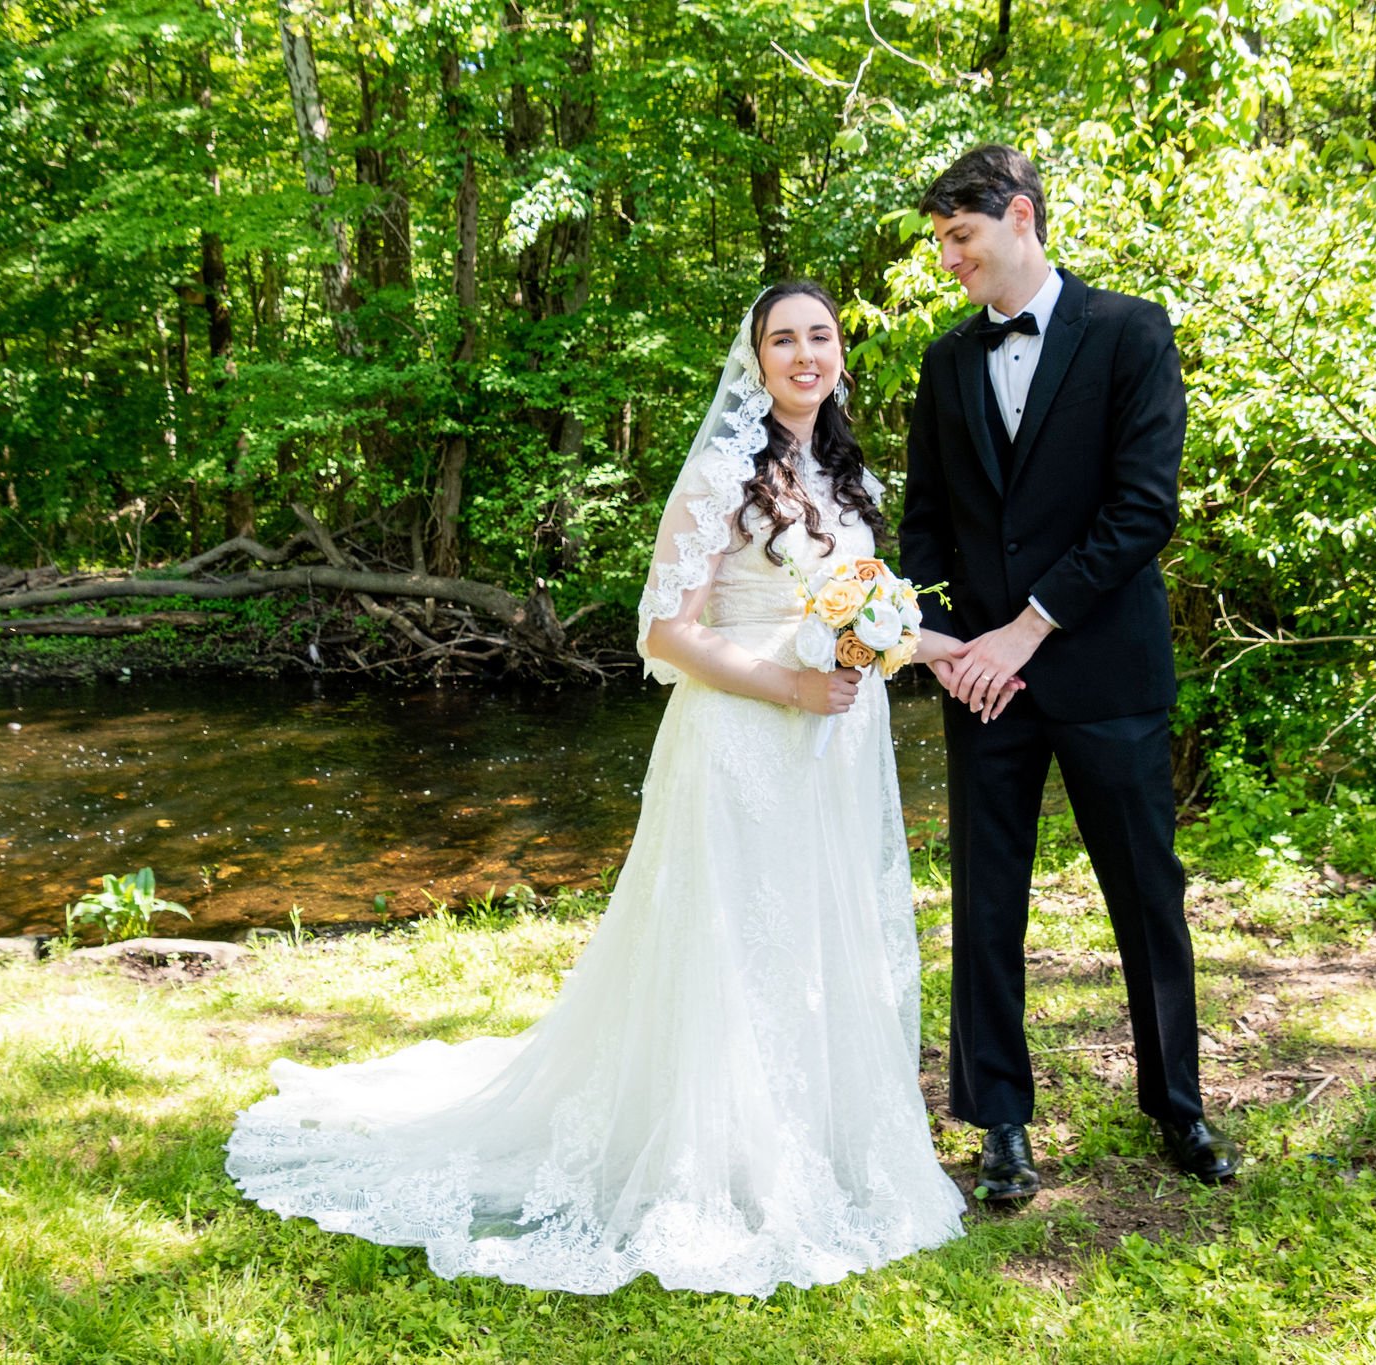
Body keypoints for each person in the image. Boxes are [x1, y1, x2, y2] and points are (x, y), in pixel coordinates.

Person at [227, 281, 970, 1295]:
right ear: (754, 362)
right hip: (744, 740)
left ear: (842, 353)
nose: (804, 354)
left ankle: (815, 1143)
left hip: (828, 753)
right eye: (782, 340)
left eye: (820, 337)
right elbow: (663, 633)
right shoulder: (720, 472)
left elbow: (869, 614)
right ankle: (719, 1163)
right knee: (732, 944)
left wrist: (960, 649)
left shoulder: (847, 474)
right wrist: (791, 684)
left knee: (807, 942)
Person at [898, 144, 1242, 1201]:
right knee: (985, 904)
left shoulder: (1129, 331)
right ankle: (998, 1121)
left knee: (1145, 896)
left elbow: (1141, 509)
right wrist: (949, 643)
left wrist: (1025, 631)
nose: (949, 260)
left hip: (1101, 670)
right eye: (941, 243)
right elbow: (924, 527)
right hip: (980, 686)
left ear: (1017, 217)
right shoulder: (944, 363)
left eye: (959, 238)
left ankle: (1174, 1103)